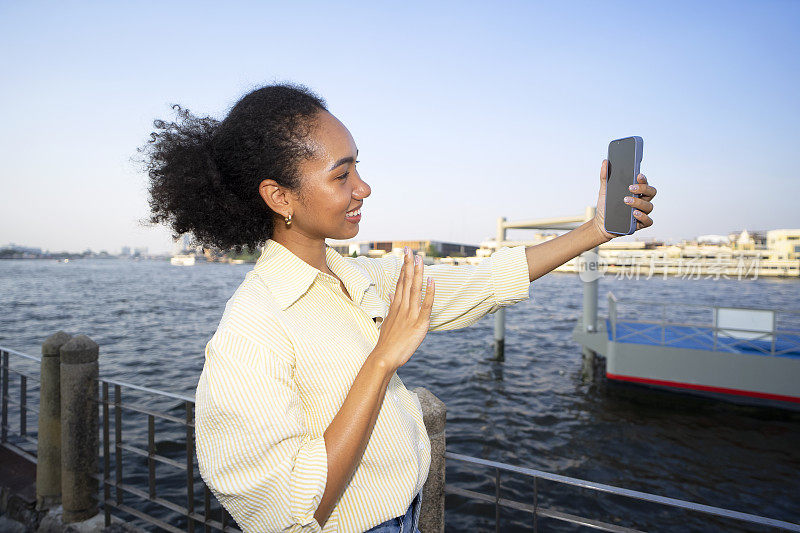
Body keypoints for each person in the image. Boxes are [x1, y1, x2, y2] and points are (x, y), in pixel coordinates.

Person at [140, 83, 656, 533]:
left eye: (357, 167)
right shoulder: (252, 326)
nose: (364, 187)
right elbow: (287, 511)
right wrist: (382, 358)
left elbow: (486, 279)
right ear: (279, 197)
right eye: (341, 176)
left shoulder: (362, 276)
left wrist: (596, 230)